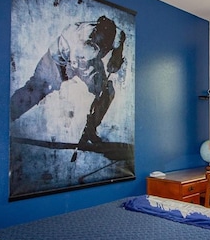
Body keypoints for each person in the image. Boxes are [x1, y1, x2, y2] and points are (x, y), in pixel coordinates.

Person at [10, 15, 126, 146]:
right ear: (94, 38)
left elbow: (120, 36)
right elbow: (86, 69)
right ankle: (7, 116)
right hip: (55, 63)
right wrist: (98, 86)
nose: (104, 50)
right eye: (100, 46)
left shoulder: (106, 33)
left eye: (105, 46)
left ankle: (91, 129)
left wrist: (117, 56)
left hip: (83, 61)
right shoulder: (83, 47)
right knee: (35, 90)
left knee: (107, 91)